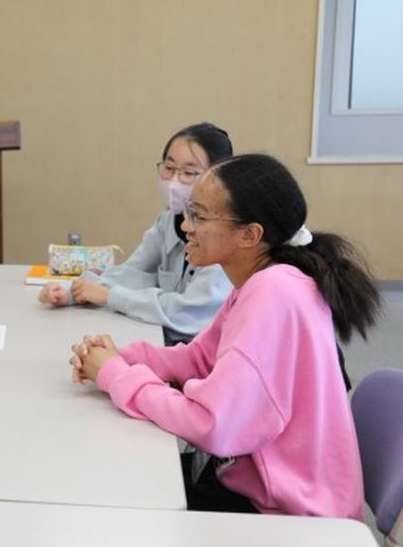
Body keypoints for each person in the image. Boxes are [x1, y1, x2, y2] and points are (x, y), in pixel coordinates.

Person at [69, 154, 380, 518]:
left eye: (199, 216)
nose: (186, 225)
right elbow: (200, 360)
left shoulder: (274, 293)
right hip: (256, 484)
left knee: (115, 501)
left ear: (250, 234)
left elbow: (213, 425)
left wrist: (115, 375)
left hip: (283, 515)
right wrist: (121, 356)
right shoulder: (262, 278)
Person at [39, 123, 235, 345]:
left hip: (202, 359)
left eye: (189, 173)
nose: (174, 181)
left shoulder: (223, 239)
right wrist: (75, 291)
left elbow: (190, 312)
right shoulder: (169, 219)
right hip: (164, 342)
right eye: (169, 168)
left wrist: (110, 296)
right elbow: (135, 273)